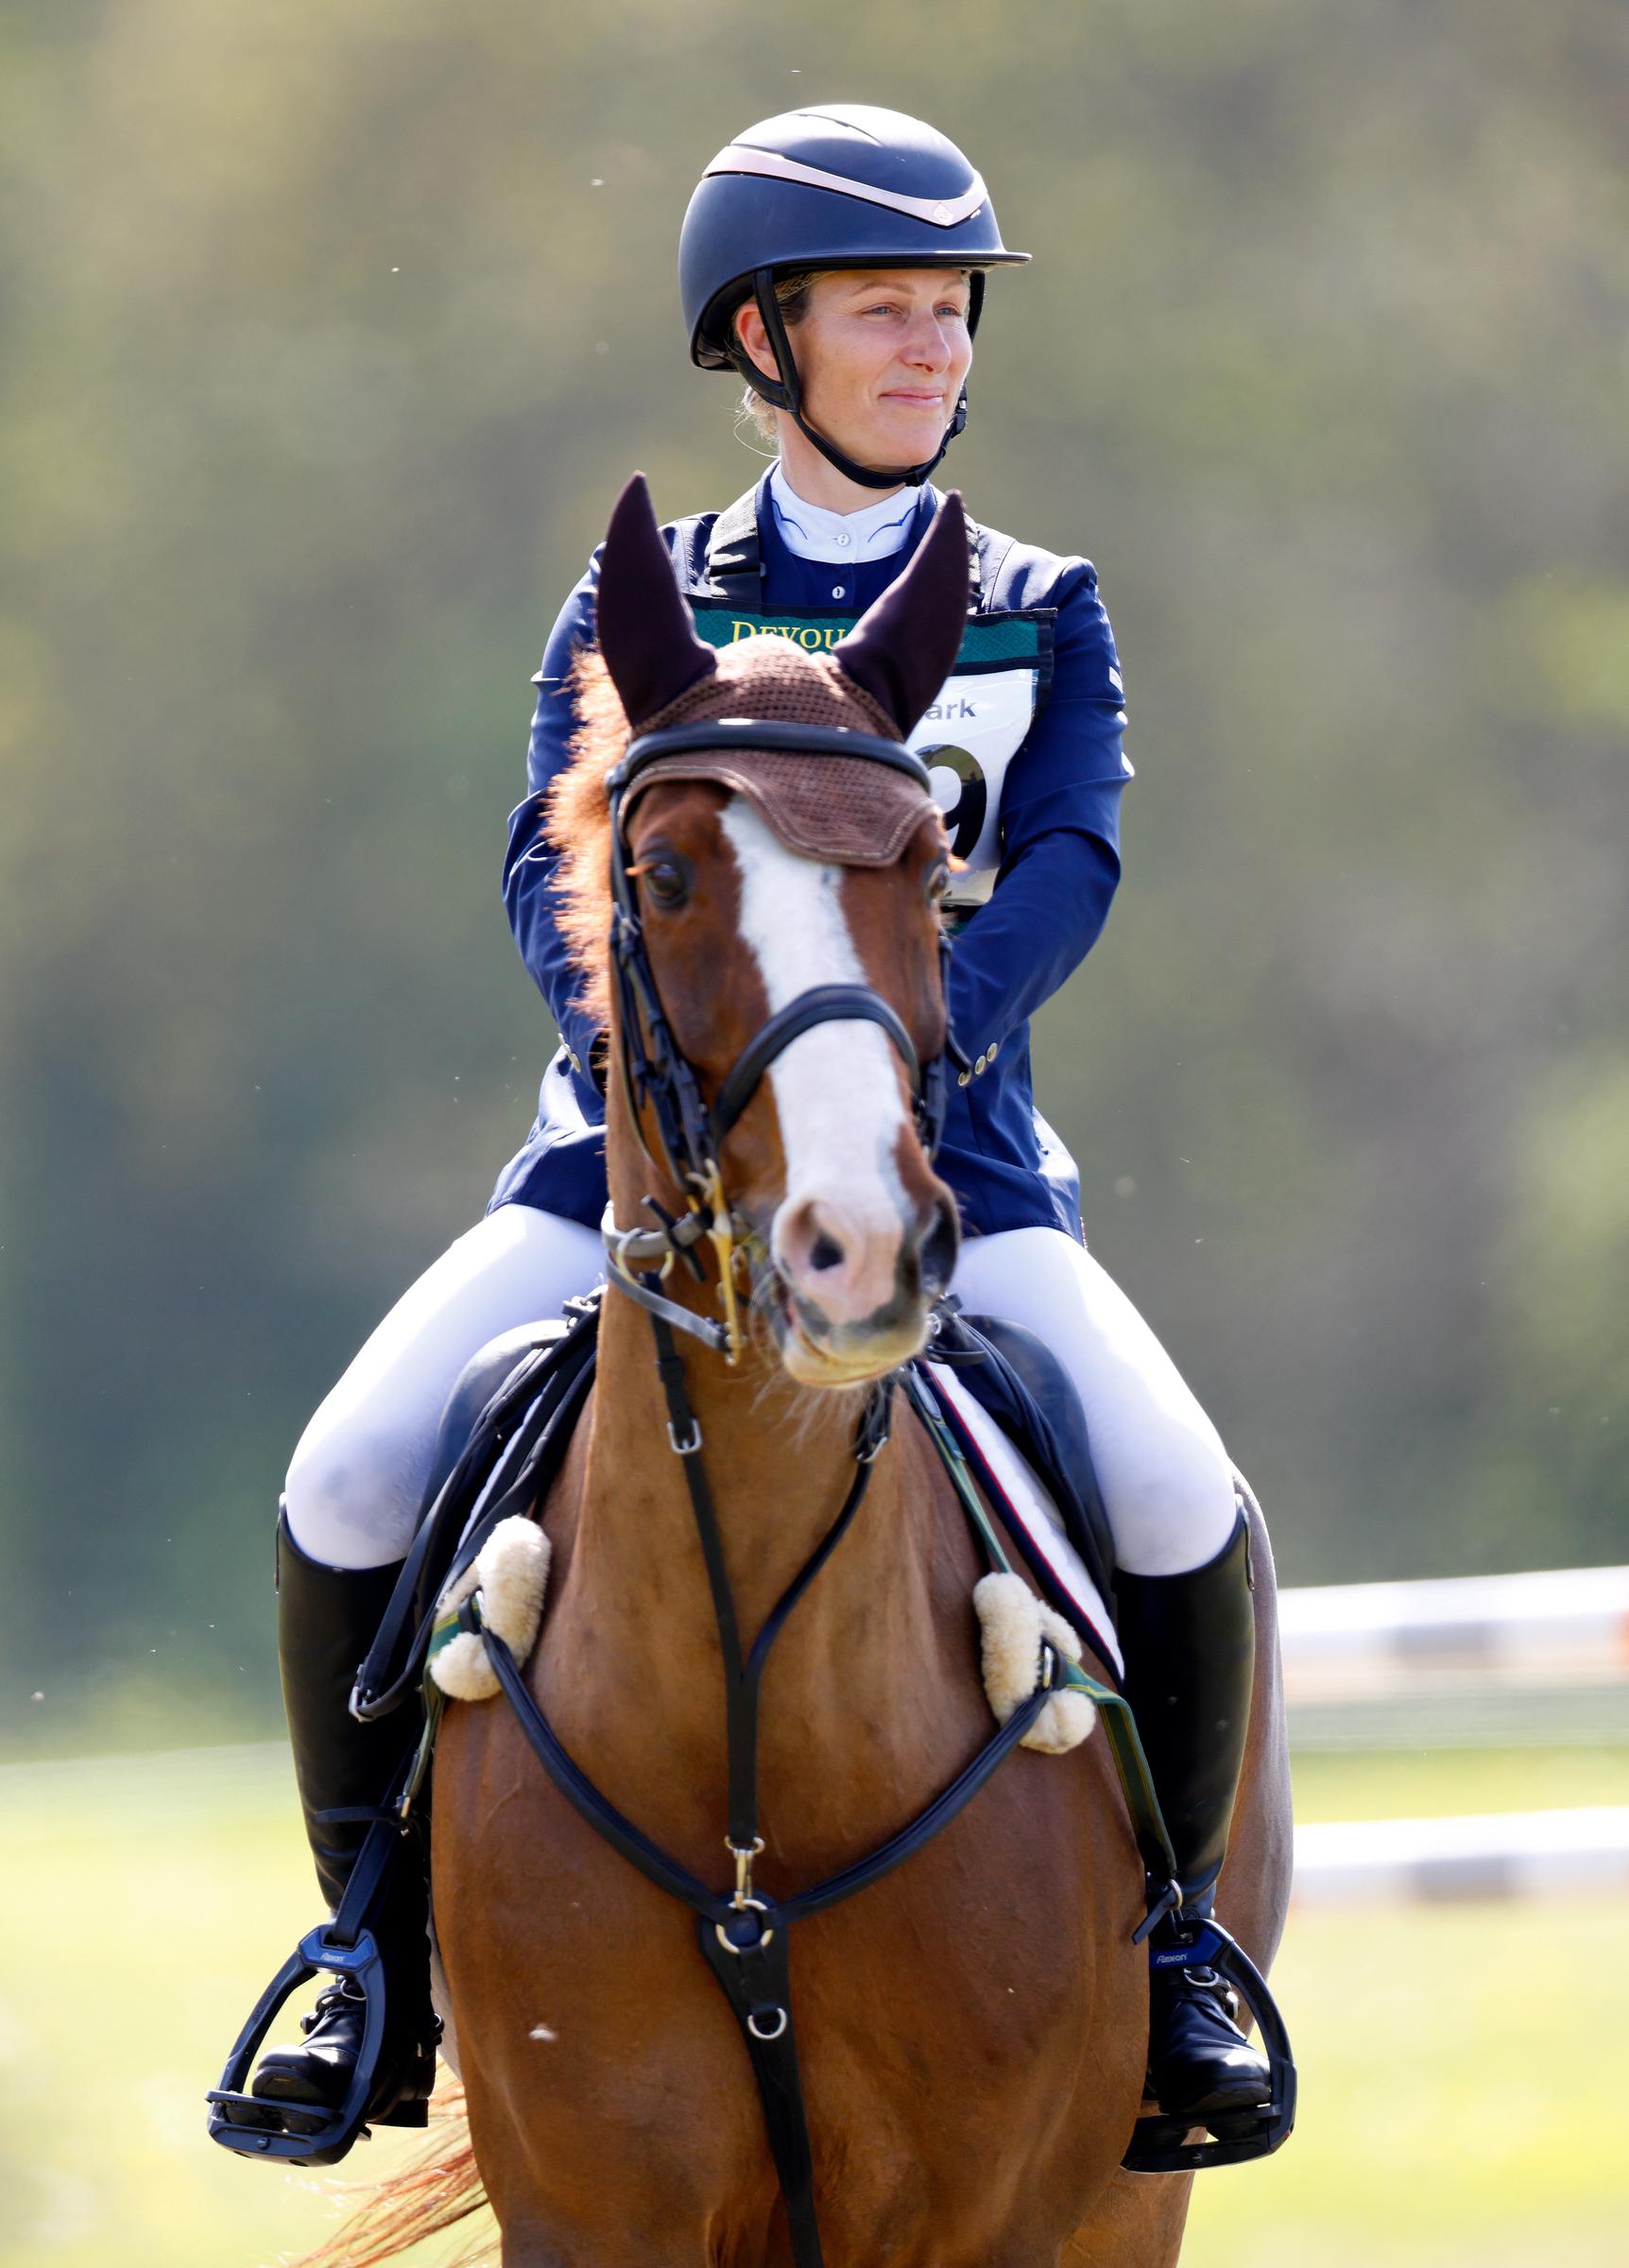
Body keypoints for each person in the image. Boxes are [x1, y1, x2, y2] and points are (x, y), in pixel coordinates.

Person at [249, 103, 1271, 2139]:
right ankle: (371, 1959)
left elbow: (1070, 862)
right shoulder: (641, 605)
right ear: (760, 336)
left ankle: (1171, 1957)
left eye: (952, 309)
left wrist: (886, 1071)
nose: (935, 345)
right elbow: (550, 871)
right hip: (626, 1170)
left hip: (951, 1162)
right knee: (345, 1479)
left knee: (1178, 1500)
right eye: (885, 309)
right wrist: (691, 1100)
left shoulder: (1040, 605)